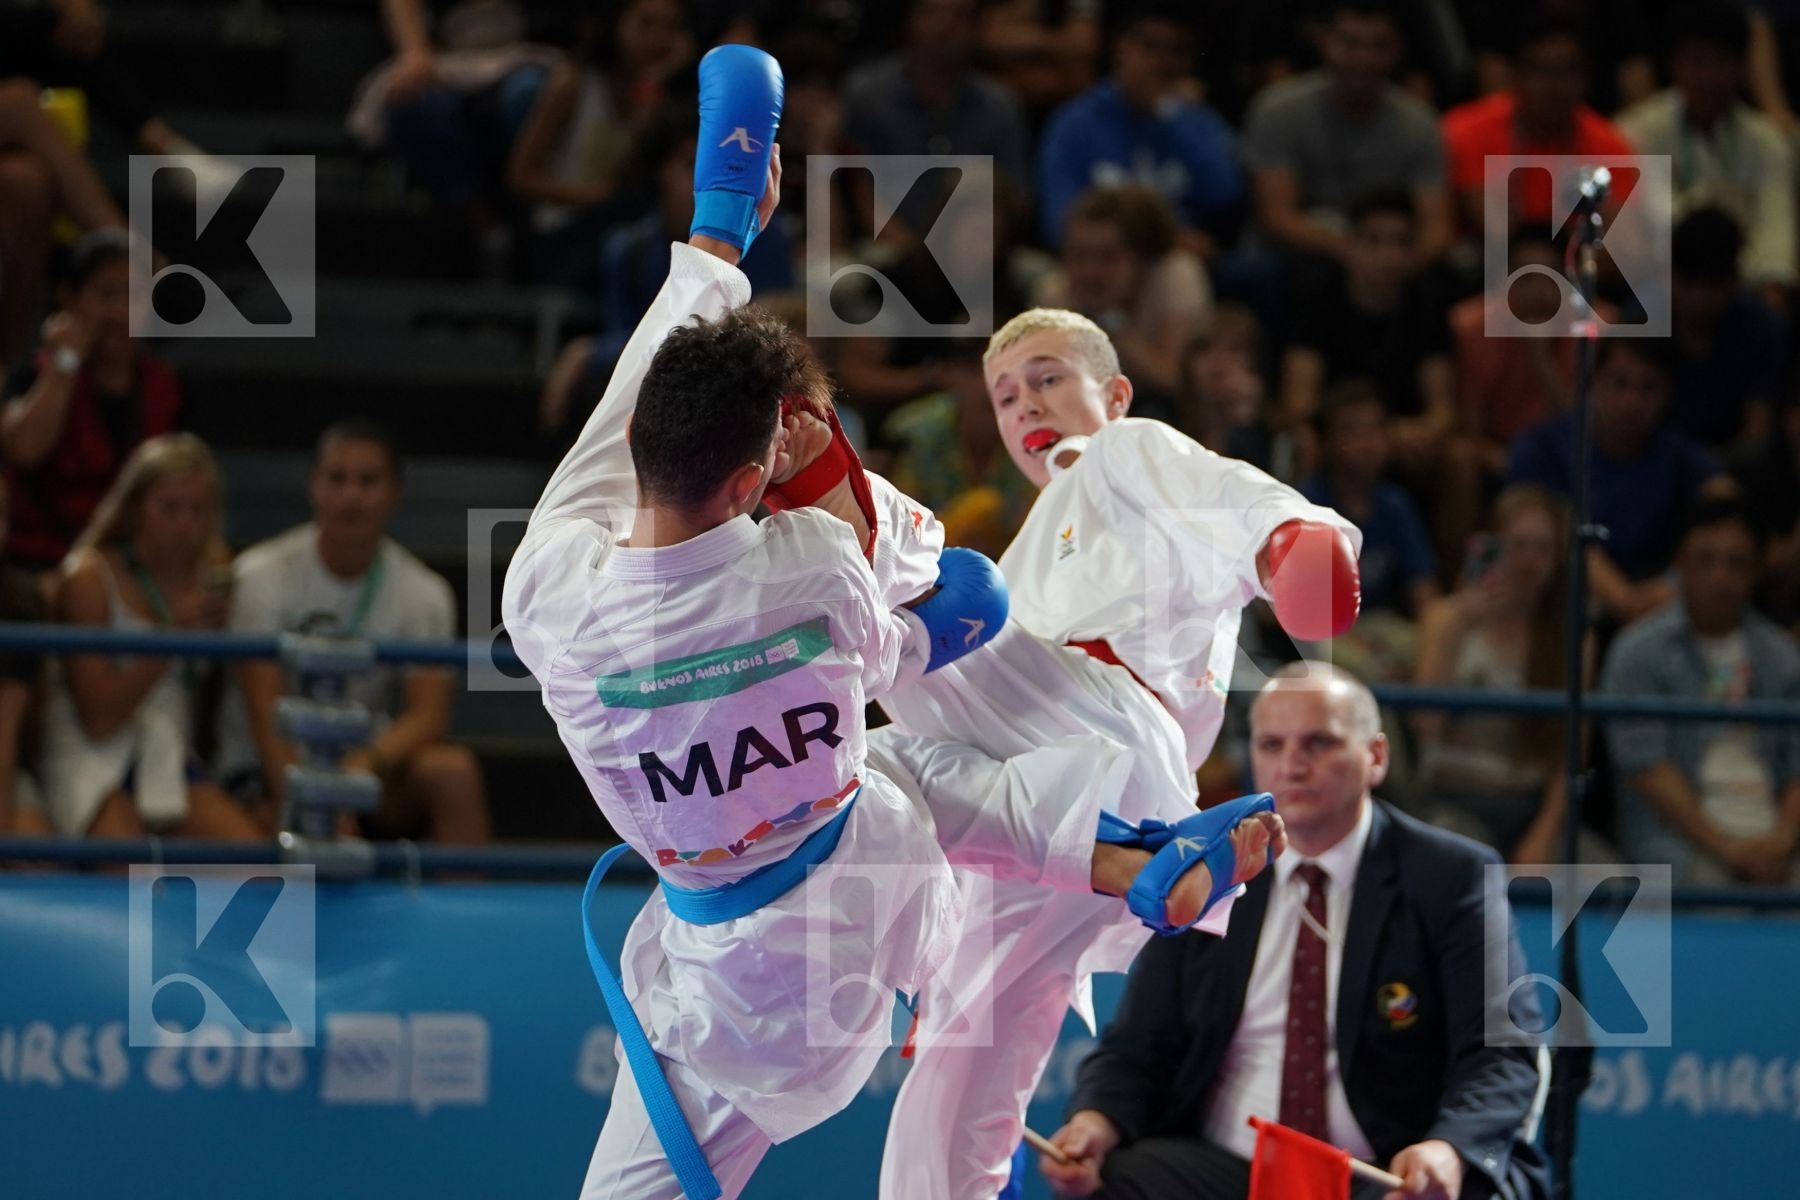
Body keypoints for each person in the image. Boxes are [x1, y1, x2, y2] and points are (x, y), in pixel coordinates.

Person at [502, 49, 1282, 1199]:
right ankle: (1131, 852)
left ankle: (1124, 851)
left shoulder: (543, 596)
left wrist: (710, 246)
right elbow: (915, 633)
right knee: (911, 728)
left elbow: (623, 422)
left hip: (754, 946)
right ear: (752, 476)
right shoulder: (813, 569)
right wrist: (729, 246)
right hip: (849, 898)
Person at [873, 305, 1363, 1200]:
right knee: (950, 1096)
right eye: (1007, 393)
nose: (1028, 404)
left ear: (1116, 391)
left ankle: (808, 476)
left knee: (898, 611)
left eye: (1052, 376)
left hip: (1104, 730)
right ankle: (1140, 862)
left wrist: (1292, 544)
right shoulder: (1026, 550)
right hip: (1063, 822)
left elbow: (1221, 491)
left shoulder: (1125, 452)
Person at [1040, 665, 1550, 1200]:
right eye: (1271, 744)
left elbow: (1502, 1052)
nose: (1292, 765)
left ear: (1375, 756)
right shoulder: (1209, 868)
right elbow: (1140, 1044)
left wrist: (1447, 1148)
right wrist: (1096, 1121)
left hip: (1379, 1172)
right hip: (1228, 1166)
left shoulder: (1449, 877)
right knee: (1114, 1182)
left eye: (1319, 743)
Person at [214, 420, 489, 845]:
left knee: (453, 772)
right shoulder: (260, 575)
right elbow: (263, 708)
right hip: (264, 767)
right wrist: (308, 798)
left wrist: (361, 767)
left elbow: (428, 716)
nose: (351, 496)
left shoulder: (424, 592)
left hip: (364, 767)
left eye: (368, 480)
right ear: (313, 486)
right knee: (274, 843)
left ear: (396, 492)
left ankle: (471, 909)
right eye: (337, 479)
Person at [40, 434, 259, 840]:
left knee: (262, 877)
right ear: (136, 507)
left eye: (198, 511)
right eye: (170, 508)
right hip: (89, 755)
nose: (185, 525)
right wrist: (172, 637)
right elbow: (98, 720)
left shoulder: (215, 575)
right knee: (131, 878)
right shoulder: (88, 577)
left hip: (169, 753)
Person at [1603, 497, 1800, 886]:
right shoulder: (1638, 651)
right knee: (1707, 886)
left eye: (1736, 563)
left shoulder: (1782, 656)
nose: (1720, 577)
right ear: (1679, 566)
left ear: (1757, 571)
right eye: (1705, 561)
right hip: (1679, 840)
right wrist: (1728, 848)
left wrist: (1782, 840)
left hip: (1774, 836)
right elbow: (1646, 769)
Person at [1411, 487, 1582, 865]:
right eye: (1518, 545)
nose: (1529, 562)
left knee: (1623, 888)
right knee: (1463, 875)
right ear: (1491, 546)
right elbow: (1427, 725)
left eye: (1543, 548)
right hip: (1454, 799)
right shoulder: (1444, 617)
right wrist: (1459, 627)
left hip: (1530, 806)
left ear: (1559, 560)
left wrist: (1543, 837)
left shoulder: (1572, 638)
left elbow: (1568, 758)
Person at [1507, 338, 1728, 625]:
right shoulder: (1542, 449)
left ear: (1667, 395)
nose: (1630, 403)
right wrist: (1624, 599)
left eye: (1648, 388)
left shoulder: (1677, 454)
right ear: (1592, 381)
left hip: (1660, 608)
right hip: (1557, 616)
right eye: (1618, 383)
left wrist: (1672, 583)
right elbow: (1553, 537)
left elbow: (1728, 508)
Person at [1, 230, 180, 576]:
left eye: (134, 296)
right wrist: (66, 360)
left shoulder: (167, 386)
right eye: (106, 294)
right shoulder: (33, 375)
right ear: (69, 299)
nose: (119, 311)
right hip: (35, 566)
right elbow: (24, 450)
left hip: (129, 571)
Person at [1238, 0, 1451, 265]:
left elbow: (1436, 231)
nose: (1363, 59)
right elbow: (1276, 217)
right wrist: (1352, 252)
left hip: (1389, 256)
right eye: (1350, 44)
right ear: (1324, 41)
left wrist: (1399, 262)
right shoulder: (1277, 109)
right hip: (1301, 257)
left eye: (1378, 46)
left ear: (1398, 50)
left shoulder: (1419, 123)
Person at [505, 0, 697, 286]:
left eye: (669, 28)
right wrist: (594, 197)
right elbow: (521, 176)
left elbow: (636, 169)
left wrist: (653, 82)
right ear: (616, 23)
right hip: (562, 233)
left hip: (618, 223)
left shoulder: (652, 95)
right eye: (645, 25)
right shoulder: (573, 83)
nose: (657, 39)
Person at [1278, 188, 1456, 487]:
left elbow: (1443, 410)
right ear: (1349, 244)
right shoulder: (1316, 299)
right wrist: (1361, 434)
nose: (1388, 256)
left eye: (1401, 242)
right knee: (1302, 444)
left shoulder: (1427, 306)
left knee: (1458, 458)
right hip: (1335, 436)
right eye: (1373, 240)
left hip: (1403, 442)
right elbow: (1298, 403)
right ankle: (1299, 533)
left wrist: (1410, 431)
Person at [1618, 2, 1796, 297]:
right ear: (1674, 64)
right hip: (1668, 285)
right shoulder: (1637, 132)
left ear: (1741, 68)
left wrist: (1767, 288)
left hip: (1746, 288)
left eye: (1721, 63)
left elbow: (1776, 233)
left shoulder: (1768, 140)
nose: (1709, 77)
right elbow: (1660, 223)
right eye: (1698, 62)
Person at [1036, 3, 1243, 248]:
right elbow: (1059, 221)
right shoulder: (1075, 123)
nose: (1161, 62)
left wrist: (1172, 118)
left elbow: (1224, 201)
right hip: (1101, 259)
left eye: (1176, 51)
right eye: (1149, 46)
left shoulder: (1197, 122)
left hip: (1186, 261)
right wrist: (1162, 242)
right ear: (1120, 48)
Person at [842, 0, 1032, 244]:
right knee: (848, 275)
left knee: (1038, 276)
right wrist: (915, 257)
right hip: (888, 248)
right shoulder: (867, 97)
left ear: (977, 28)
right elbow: (858, 191)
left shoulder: (998, 107)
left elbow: (1014, 199)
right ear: (910, 20)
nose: (943, 27)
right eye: (931, 12)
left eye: (958, 16)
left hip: (980, 249)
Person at [1443, 17, 1635, 238]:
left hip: (1570, 265)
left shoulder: (1608, 144)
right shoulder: (1465, 131)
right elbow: (1492, 227)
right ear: (1516, 74)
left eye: (1567, 71)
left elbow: (1619, 240)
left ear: (1587, 78)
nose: (1554, 86)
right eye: (1541, 70)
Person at [1035, 184, 1212, 402]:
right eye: (1079, 256)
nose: (1091, 272)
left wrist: (1113, 322)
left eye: (1108, 257)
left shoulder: (1174, 276)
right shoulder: (1056, 293)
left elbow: (1177, 383)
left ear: (1143, 259)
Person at [1302, 380, 1439, 624]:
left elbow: (1423, 589)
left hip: (1381, 625)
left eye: (1376, 428)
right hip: (1324, 629)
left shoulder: (1395, 504)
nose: (1368, 442)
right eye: (1351, 430)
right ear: (1327, 443)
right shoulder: (1309, 508)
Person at [1666, 206, 1788, 450]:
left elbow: (1757, 435)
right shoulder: (1640, 324)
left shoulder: (1762, 331)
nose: (1699, 300)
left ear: (1733, 283)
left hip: (1738, 474)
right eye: (1690, 284)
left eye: (1711, 287)